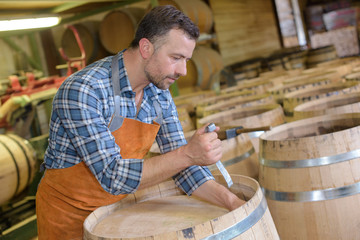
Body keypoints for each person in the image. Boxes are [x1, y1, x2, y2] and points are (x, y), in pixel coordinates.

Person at [36, 5, 245, 239]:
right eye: (176, 58)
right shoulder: (84, 90)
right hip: (68, 216)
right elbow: (112, 176)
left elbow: (184, 169)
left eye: (186, 59)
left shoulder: (159, 94)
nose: (184, 70)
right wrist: (188, 153)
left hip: (116, 212)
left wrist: (233, 202)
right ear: (146, 48)